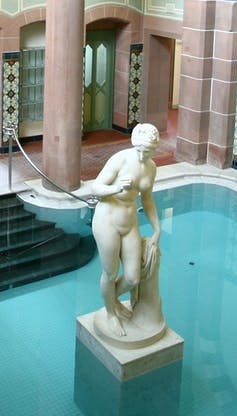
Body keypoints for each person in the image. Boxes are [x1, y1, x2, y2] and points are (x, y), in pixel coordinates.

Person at [88, 122, 162, 339]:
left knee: (132, 278)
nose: (142, 156)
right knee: (110, 273)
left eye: (147, 152)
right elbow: (95, 188)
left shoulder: (151, 168)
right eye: (140, 150)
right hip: (107, 221)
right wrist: (117, 187)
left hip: (130, 224)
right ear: (134, 145)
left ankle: (112, 299)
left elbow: (147, 200)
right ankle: (111, 313)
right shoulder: (120, 159)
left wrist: (157, 229)